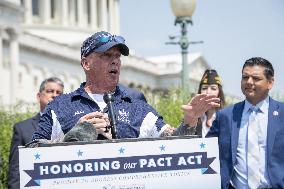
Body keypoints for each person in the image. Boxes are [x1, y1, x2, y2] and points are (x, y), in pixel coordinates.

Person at [32, 31, 219, 142]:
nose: (115, 62)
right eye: (106, 56)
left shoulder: (137, 107)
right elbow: (33, 151)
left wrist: (190, 120)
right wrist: (72, 136)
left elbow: (173, 142)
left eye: (118, 57)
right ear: (86, 63)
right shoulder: (60, 106)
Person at [183, 57, 284, 189]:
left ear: (270, 83)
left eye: (256, 78)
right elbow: (201, 152)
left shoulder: (281, 113)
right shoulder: (225, 116)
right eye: (245, 77)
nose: (249, 82)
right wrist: (190, 120)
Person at [8, 77, 64, 189]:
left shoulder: (71, 127)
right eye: (50, 91)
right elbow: (15, 169)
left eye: (59, 93)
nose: (54, 95)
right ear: (39, 96)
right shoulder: (22, 128)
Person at [193, 69, 226, 137]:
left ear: (219, 93)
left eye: (213, 88)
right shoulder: (194, 117)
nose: (208, 92)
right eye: (204, 88)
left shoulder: (226, 117)